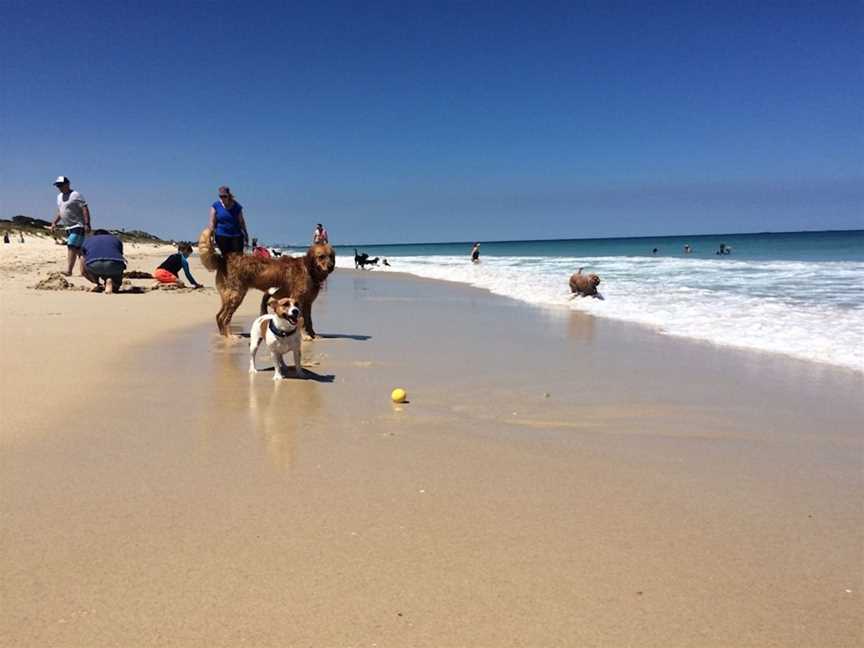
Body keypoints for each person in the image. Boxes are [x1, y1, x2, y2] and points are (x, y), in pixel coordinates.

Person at [49, 176, 91, 276]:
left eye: (61, 185)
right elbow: (61, 211)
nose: (59, 187)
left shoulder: (76, 195)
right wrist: (54, 222)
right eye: (58, 185)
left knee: (71, 245)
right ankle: (84, 271)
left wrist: (87, 223)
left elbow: (85, 209)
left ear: (67, 184)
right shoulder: (59, 197)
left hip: (78, 225)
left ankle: (69, 271)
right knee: (79, 250)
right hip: (68, 226)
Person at [208, 185, 248, 257]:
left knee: (238, 258)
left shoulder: (237, 206)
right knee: (226, 257)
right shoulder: (216, 206)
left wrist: (246, 234)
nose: (223, 198)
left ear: (228, 195)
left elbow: (241, 222)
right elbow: (212, 222)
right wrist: (211, 235)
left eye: (224, 196)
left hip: (236, 236)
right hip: (221, 235)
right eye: (221, 196)